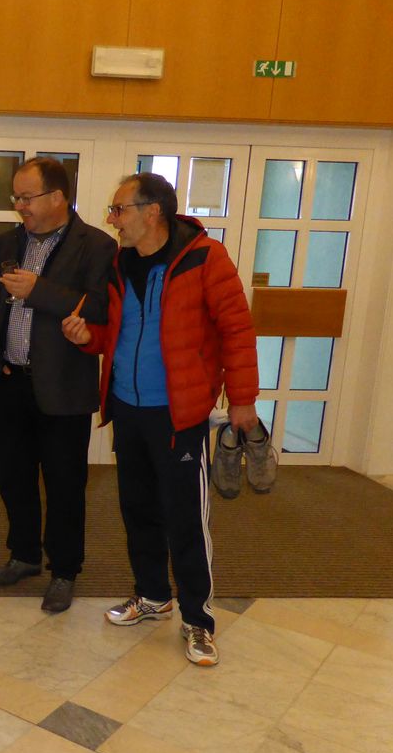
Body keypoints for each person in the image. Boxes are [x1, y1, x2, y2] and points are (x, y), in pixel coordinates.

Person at [62, 173, 259, 667]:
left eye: (119, 209)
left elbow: (237, 330)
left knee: (185, 519)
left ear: (152, 212)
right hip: (127, 409)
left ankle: (198, 620)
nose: (113, 219)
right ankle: (152, 595)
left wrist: (242, 399)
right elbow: (115, 333)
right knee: (139, 509)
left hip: (178, 414)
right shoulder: (120, 262)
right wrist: (87, 337)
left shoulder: (204, 258)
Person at [0, 156, 116, 613]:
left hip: (63, 387)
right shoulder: (7, 242)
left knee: (64, 486)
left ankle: (64, 571)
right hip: (10, 383)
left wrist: (37, 290)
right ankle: (24, 555)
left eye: (26, 197)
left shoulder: (96, 245)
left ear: (57, 197)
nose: (19, 205)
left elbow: (99, 307)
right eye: (15, 197)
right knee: (13, 478)